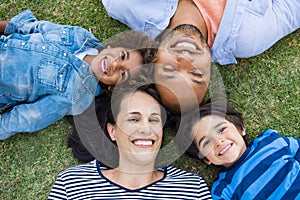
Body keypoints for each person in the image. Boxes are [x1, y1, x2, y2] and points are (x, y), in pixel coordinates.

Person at [0, 9, 157, 140]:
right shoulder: (80, 36)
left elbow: (29, 117)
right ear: (114, 46)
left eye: (123, 73)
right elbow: (35, 28)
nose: (115, 64)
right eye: (122, 55)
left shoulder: (77, 95)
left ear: (112, 88)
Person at [48, 81, 213, 199]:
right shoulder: (72, 185)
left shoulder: (191, 188)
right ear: (113, 131)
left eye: (154, 120)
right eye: (134, 119)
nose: (146, 128)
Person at [102, 0, 300, 65]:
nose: (185, 62)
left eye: (171, 71)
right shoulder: (247, 38)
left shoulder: (123, 4)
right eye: (195, 75)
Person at [177, 101, 300, 199]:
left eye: (221, 130)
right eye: (207, 142)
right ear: (206, 159)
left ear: (241, 128)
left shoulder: (269, 141)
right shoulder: (223, 190)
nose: (218, 142)